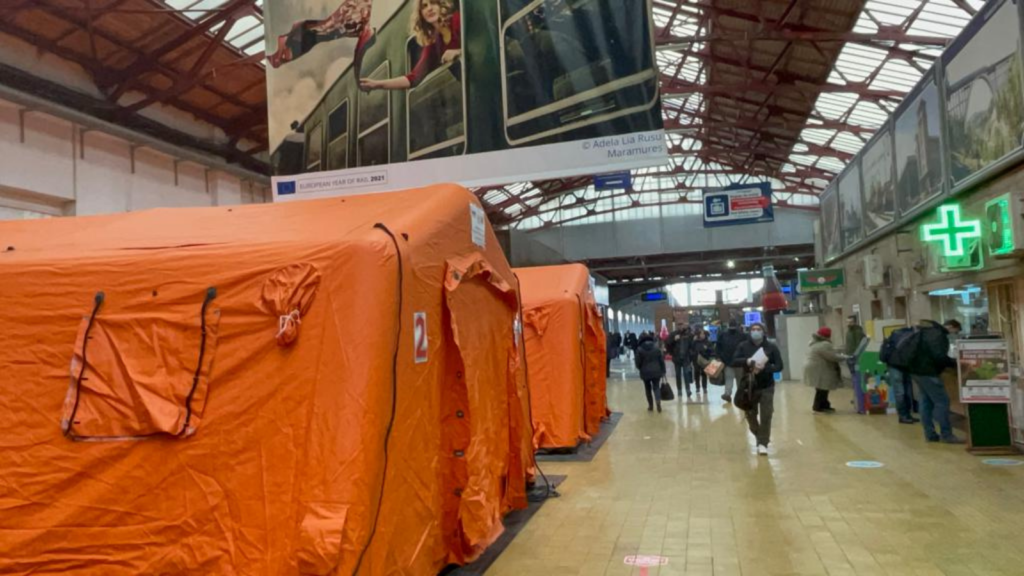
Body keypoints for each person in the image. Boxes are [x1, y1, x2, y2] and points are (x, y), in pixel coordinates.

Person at [360, 0, 461, 91]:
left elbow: (476, 46)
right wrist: (376, 84)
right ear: (421, 14)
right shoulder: (435, 44)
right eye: (424, 6)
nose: (429, 8)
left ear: (441, 6)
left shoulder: (457, 20)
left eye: (433, 3)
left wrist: (459, 52)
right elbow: (413, 78)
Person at [890, 319, 963, 443]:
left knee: (925, 402)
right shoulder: (938, 335)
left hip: (916, 371)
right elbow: (939, 356)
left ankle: (930, 434)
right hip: (928, 372)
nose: (955, 334)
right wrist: (955, 363)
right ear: (951, 327)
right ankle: (947, 434)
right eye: (956, 331)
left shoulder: (924, 332)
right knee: (942, 402)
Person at [268, 0, 375, 70]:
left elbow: (284, 36)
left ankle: (279, 55)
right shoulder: (290, 51)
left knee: (329, 26)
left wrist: (279, 55)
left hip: (311, 33)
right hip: (312, 34)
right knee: (330, 27)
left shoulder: (290, 45)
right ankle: (279, 56)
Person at [730, 323, 784, 455]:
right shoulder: (743, 346)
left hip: (767, 385)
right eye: (753, 330)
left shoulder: (771, 347)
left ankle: (763, 443)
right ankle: (759, 436)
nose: (755, 332)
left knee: (766, 414)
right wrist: (747, 361)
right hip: (749, 386)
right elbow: (734, 361)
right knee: (750, 414)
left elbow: (779, 365)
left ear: (763, 332)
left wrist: (766, 368)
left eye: (758, 329)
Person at [880, 325, 918, 424]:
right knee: (903, 391)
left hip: (894, 365)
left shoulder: (896, 335)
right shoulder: (913, 337)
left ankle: (905, 415)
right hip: (901, 366)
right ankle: (904, 416)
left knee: (901, 391)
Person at [804, 327, 845, 413]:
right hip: (820, 368)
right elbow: (832, 357)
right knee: (822, 387)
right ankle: (818, 406)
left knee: (821, 387)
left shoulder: (815, 343)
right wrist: (846, 357)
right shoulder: (825, 344)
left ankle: (824, 405)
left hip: (816, 368)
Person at [634, 333, 665, 413]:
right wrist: (663, 370)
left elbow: (638, 362)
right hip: (656, 371)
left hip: (645, 372)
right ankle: (658, 401)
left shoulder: (639, 349)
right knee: (656, 387)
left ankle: (650, 406)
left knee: (648, 389)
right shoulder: (656, 348)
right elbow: (661, 360)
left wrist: (640, 368)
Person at [716, 320, 745, 403]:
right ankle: (740, 395)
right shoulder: (742, 335)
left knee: (729, 378)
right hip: (739, 361)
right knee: (739, 379)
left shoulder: (723, 335)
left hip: (727, 361)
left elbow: (718, 347)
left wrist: (719, 357)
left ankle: (727, 394)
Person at [668, 326, 693, 397]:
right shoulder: (673, 334)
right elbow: (668, 344)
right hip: (677, 358)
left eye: (682, 324)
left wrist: (690, 356)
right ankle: (679, 390)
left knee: (686, 375)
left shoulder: (688, 335)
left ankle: (688, 390)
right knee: (678, 375)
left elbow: (691, 346)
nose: (681, 326)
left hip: (685, 358)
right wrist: (674, 340)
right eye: (679, 324)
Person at [691, 329, 712, 395]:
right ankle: (697, 387)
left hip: (704, 360)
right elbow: (691, 348)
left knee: (704, 374)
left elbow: (712, 351)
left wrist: (707, 349)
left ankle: (704, 387)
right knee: (696, 373)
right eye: (701, 334)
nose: (702, 335)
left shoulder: (708, 342)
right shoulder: (695, 342)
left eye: (703, 334)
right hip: (696, 360)